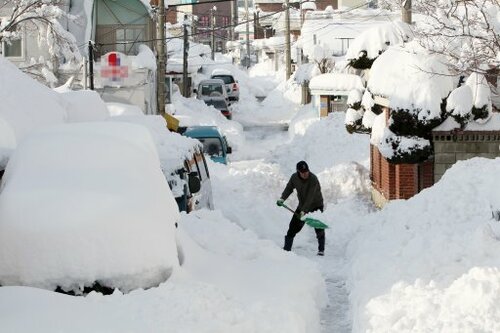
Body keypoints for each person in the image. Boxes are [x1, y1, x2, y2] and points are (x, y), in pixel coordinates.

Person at [277, 161, 325, 256]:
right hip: (302, 205)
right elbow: (289, 188)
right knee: (292, 227)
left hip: (316, 205)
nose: (305, 174)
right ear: (298, 171)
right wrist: (282, 198)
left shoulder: (313, 179)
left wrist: (304, 211)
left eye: (306, 171)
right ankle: (287, 249)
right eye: (302, 172)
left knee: (318, 228)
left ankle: (321, 250)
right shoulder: (294, 178)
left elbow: (310, 197)